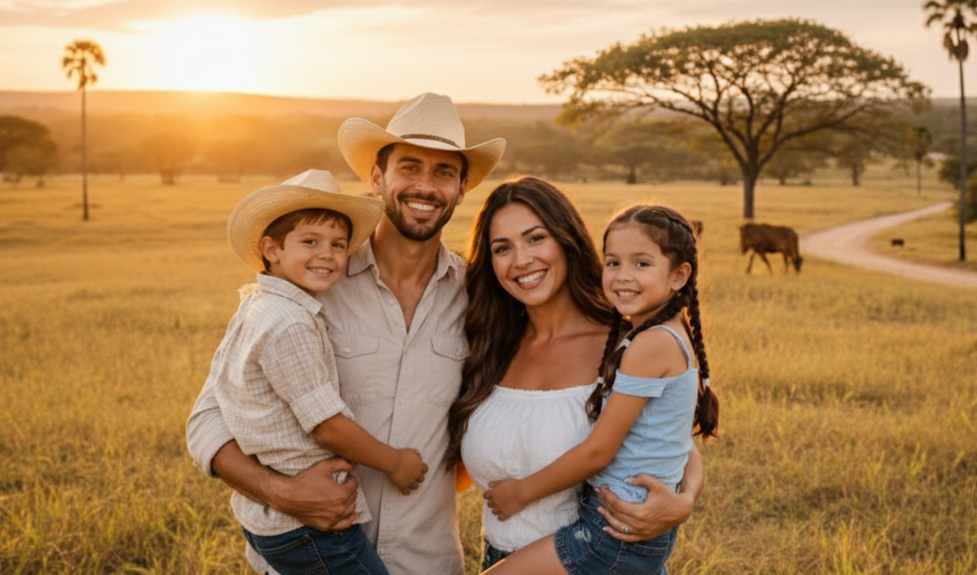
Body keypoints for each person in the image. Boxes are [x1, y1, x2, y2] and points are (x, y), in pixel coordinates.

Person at [188, 93, 506, 575]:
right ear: (377, 179)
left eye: (444, 172)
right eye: (410, 166)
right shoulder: (308, 283)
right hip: (309, 556)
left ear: (462, 189)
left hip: (427, 562)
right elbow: (208, 419)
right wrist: (282, 493)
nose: (425, 185)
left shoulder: (479, 298)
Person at [445, 179, 705, 570]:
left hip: (593, 555)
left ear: (567, 240)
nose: (521, 260)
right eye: (503, 248)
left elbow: (674, 439)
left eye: (535, 239)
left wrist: (683, 503)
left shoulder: (623, 341)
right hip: (500, 556)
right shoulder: (487, 344)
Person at [211, 169, 425, 575]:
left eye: (338, 245)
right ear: (271, 249)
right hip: (311, 521)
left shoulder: (255, 306)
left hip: (273, 523)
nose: (327, 254)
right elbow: (326, 425)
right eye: (310, 242)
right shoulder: (290, 323)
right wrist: (395, 462)